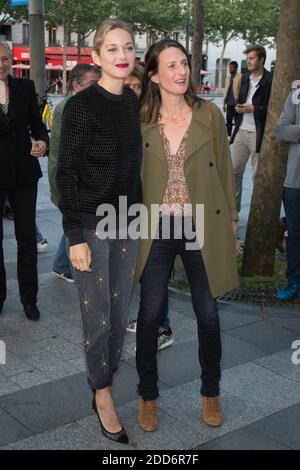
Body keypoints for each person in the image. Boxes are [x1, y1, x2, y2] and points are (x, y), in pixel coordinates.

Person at [133, 39, 239, 432]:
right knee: (148, 315)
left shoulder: (208, 114)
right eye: (171, 66)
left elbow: (226, 170)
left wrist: (231, 221)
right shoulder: (141, 118)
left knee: (208, 315)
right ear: (155, 76)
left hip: (201, 225)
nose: (181, 72)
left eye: (184, 64)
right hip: (157, 227)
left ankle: (211, 393)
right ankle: (148, 397)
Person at [56, 20, 142, 444]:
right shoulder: (82, 105)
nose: (121, 54)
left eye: (127, 46)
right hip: (92, 222)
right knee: (98, 314)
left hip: (129, 220)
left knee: (121, 312)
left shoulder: (131, 101)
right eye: (111, 49)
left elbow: (133, 167)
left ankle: (106, 376)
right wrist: (75, 236)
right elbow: (65, 173)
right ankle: (103, 392)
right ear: (96, 57)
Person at [124, 64, 174, 350]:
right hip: (133, 202)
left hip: (157, 203)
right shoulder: (130, 113)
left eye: (136, 86)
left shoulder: (155, 116)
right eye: (127, 86)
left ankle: (162, 326)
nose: (131, 91)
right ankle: (149, 318)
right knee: (144, 267)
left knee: (154, 266)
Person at [0, 41, 48, 320]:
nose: (2, 64)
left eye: (6, 58)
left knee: (27, 238)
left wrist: (42, 140)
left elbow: (37, 123)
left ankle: (29, 299)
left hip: (23, 172)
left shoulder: (25, 87)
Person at [48, 64, 100, 283]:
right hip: (69, 178)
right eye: (92, 84)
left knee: (75, 221)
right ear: (76, 85)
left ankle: (61, 264)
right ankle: (64, 265)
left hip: (76, 177)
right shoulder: (69, 107)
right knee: (76, 221)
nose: (98, 88)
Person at [231, 45, 273, 215]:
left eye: (252, 58)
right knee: (233, 173)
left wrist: (254, 109)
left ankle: (258, 217)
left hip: (258, 133)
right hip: (241, 131)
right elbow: (241, 99)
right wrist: (239, 109)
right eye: (247, 58)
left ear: (261, 60)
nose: (248, 61)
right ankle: (233, 217)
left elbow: (273, 109)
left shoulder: (271, 80)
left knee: (258, 177)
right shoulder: (245, 78)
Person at [276, 86, 300, 301]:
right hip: (296, 180)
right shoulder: (296, 94)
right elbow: (281, 130)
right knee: (295, 234)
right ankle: (294, 281)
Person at [223, 61, 241, 138]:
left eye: (232, 67)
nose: (231, 69)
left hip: (237, 103)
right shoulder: (228, 77)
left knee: (237, 121)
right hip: (229, 103)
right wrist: (224, 104)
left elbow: (241, 90)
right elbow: (226, 90)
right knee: (228, 120)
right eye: (230, 67)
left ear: (236, 68)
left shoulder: (240, 77)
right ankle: (229, 135)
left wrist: (240, 102)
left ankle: (237, 135)